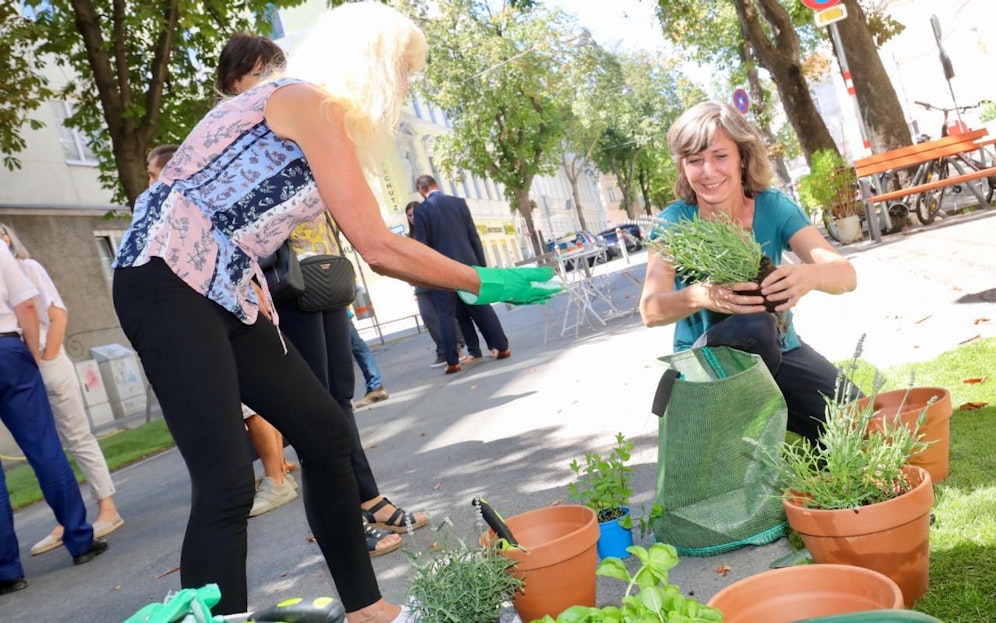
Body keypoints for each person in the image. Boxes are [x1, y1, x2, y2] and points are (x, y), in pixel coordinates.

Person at [112, 4, 558, 619]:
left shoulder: (317, 115)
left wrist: (475, 280)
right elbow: (377, 246)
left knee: (325, 433)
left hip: (227, 288)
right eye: (402, 71)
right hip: (164, 279)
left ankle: (367, 608)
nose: (406, 87)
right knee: (225, 481)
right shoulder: (306, 100)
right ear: (373, 64)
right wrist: (482, 279)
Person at [214, 33, 413, 555]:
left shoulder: (295, 115)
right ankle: (347, 519)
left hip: (324, 274)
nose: (270, 79)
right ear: (234, 84)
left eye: (275, 67)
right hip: (282, 284)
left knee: (338, 398)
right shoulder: (241, 136)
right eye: (258, 72)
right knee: (316, 411)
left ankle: (366, 497)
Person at [639, 101, 858, 443]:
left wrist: (807, 276)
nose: (708, 171)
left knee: (858, 421)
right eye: (695, 161)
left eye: (720, 156)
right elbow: (650, 310)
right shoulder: (673, 223)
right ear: (684, 168)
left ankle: (774, 431)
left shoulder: (773, 206)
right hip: (705, 365)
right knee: (754, 324)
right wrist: (702, 295)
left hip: (781, 352)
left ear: (743, 156)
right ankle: (730, 437)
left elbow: (845, 275)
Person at [0, 223, 124, 557]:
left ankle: (105, 508)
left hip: (41, 359)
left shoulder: (30, 267)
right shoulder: (7, 265)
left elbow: (57, 314)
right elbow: (26, 309)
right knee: (46, 446)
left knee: (73, 436)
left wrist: (45, 357)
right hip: (17, 357)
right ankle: (71, 529)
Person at [414, 175, 511, 375]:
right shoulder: (459, 203)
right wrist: (480, 268)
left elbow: (423, 247)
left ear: (421, 191)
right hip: (468, 265)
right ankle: (502, 347)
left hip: (442, 270)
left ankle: (452, 362)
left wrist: (427, 275)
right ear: (436, 185)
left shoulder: (422, 211)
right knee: (481, 306)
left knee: (446, 315)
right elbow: (473, 236)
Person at [404, 201, 466, 367]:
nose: (413, 218)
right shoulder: (409, 238)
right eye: (409, 215)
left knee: (446, 315)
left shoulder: (433, 231)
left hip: (437, 278)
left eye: (415, 213)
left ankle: (455, 347)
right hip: (420, 283)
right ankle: (443, 349)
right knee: (429, 317)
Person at [349, 314, 389, 409]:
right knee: (357, 346)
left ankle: (343, 399)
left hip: (327, 310)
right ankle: (376, 386)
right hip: (338, 308)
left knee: (335, 352)